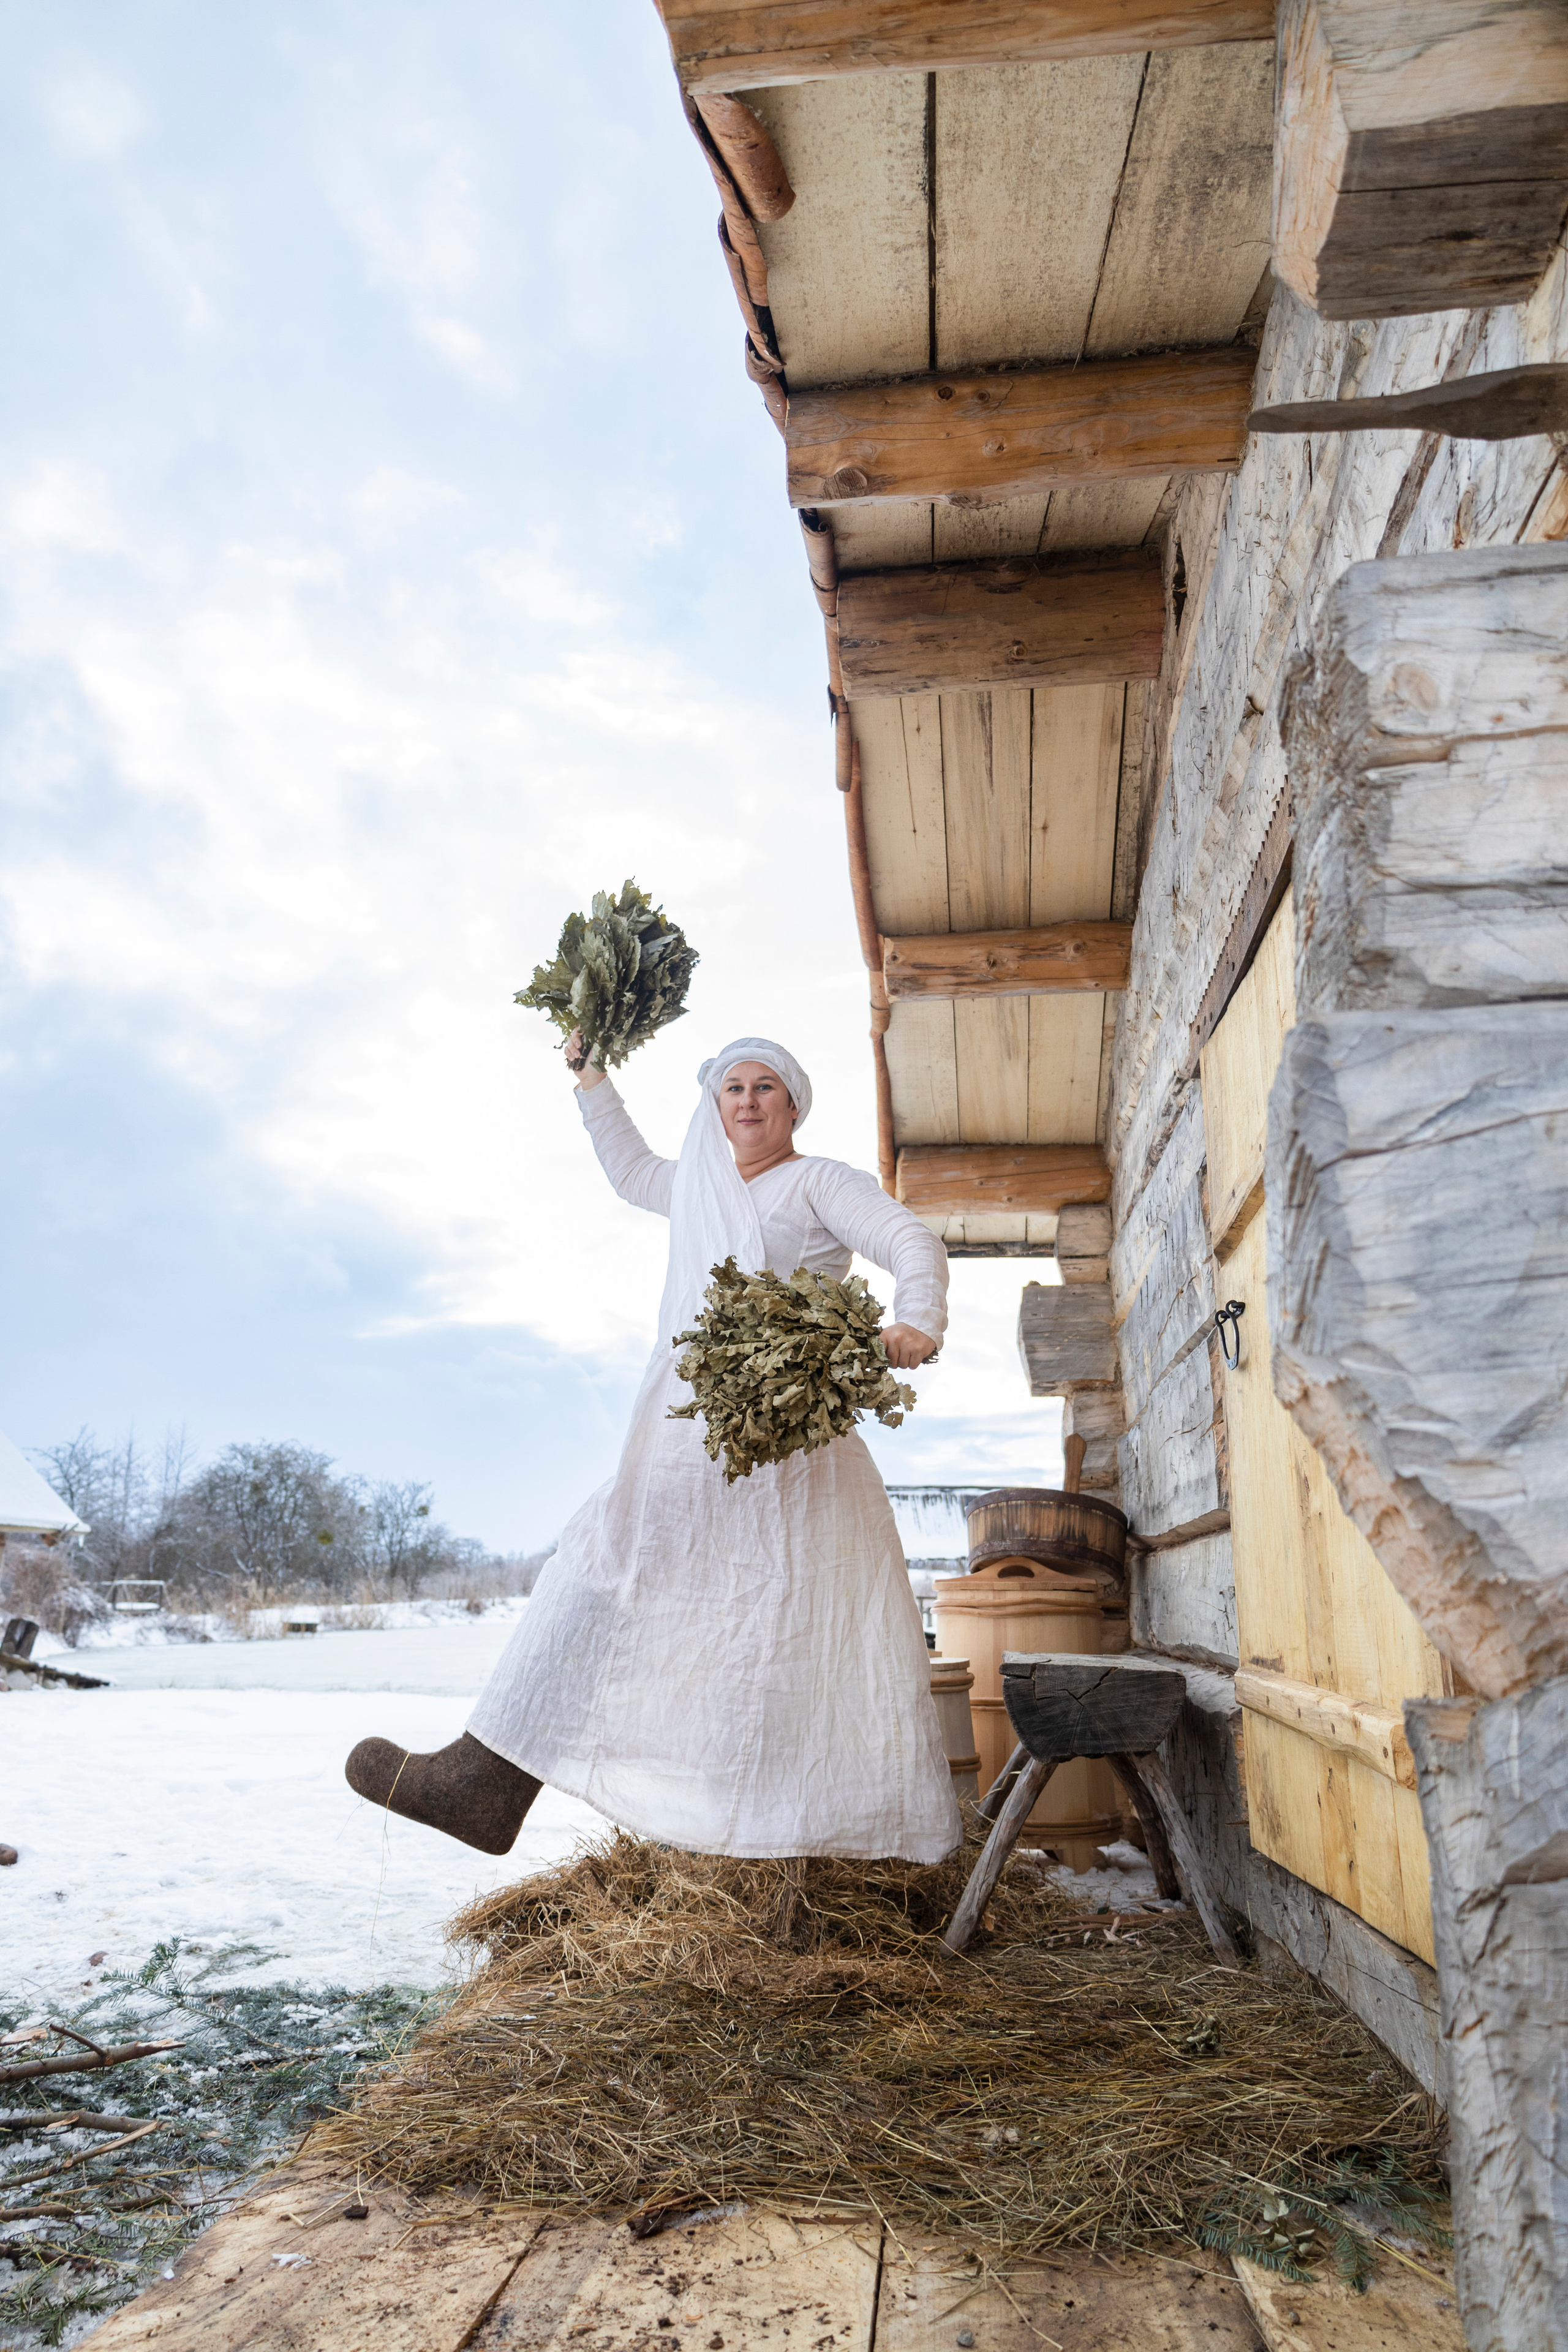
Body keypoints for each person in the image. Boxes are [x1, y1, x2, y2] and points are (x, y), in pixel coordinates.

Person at [345, 1033, 962, 1864]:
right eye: (732, 1086)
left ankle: (768, 1830)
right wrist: (592, 1078)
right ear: (714, 1106)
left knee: (759, 1618)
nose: (747, 1100)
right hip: (682, 1428)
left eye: (766, 1086)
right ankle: (488, 1780)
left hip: (779, 1439)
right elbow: (631, 1169)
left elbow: (911, 1241)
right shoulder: (695, 1185)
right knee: (612, 1570)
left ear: (793, 1105)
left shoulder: (819, 1182)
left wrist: (917, 1318)